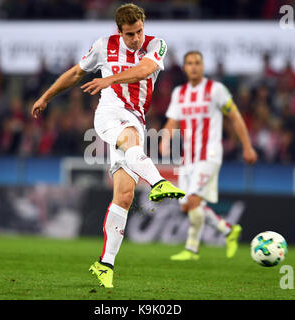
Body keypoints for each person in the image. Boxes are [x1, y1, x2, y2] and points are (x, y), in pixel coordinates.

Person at [30, 3, 185, 288]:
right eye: (129, 34)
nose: (136, 38)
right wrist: (47, 96)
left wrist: (110, 78)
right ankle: (158, 182)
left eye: (139, 31)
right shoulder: (103, 45)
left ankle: (105, 265)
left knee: (124, 196)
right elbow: (76, 73)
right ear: (119, 31)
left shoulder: (157, 45)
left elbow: (144, 70)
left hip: (136, 117)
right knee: (131, 140)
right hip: (109, 114)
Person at [160, 51, 257, 260]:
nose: (193, 67)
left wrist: (247, 147)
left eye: (197, 63)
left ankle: (192, 249)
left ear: (203, 66)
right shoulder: (179, 93)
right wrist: (164, 140)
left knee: (194, 200)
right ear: (184, 67)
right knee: (187, 206)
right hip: (188, 157)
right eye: (189, 63)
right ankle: (228, 230)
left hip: (209, 154)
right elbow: (172, 121)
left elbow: (235, 117)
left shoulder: (216, 90)